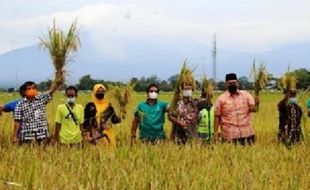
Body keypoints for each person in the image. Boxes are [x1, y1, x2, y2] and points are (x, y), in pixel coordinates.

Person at [214, 73, 259, 145]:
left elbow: (254, 109)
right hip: (229, 136)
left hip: (247, 134)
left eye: (234, 83)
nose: (232, 85)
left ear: (237, 83)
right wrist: (215, 133)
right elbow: (217, 117)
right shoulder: (221, 99)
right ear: (226, 84)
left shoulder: (246, 95)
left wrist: (257, 104)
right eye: (230, 83)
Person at [83, 84, 121, 148]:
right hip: (95, 134)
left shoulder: (108, 105)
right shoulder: (90, 105)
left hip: (108, 133)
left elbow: (114, 120)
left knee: (110, 151)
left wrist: (121, 115)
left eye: (102, 91)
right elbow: (86, 121)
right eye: (98, 91)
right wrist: (87, 135)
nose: (100, 93)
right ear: (94, 92)